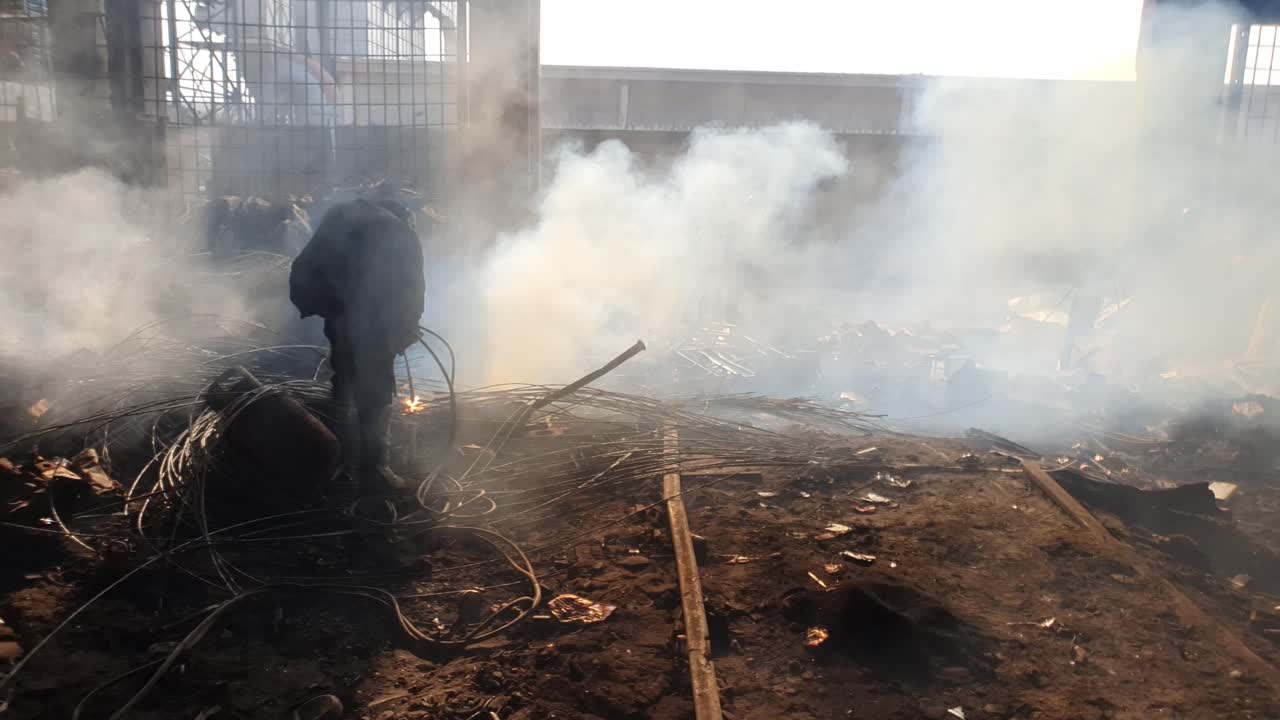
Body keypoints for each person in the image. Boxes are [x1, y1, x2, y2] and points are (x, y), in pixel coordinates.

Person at [288, 198, 425, 495]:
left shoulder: (342, 216)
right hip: (373, 323)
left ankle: (340, 459)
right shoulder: (400, 231)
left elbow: (304, 267)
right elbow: (411, 287)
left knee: (344, 378)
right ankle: (375, 470)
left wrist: (326, 308)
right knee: (376, 389)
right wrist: (405, 328)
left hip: (340, 315)